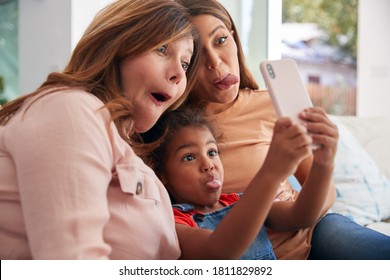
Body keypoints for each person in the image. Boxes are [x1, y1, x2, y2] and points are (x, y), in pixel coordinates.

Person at [174, 0, 390, 259]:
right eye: (197, 53)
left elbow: (319, 196)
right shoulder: (174, 131)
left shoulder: (269, 103)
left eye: (220, 40)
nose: (215, 61)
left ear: (234, 37)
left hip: (314, 231)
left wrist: (323, 164)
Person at [0, 0, 201, 260]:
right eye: (162, 49)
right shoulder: (71, 109)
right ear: (118, 45)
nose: (178, 74)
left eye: (185, 64)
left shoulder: (131, 155)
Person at [141, 108, 314, 259]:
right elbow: (219, 252)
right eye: (189, 157)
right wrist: (271, 173)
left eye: (212, 152)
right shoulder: (174, 223)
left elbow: (302, 216)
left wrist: (323, 163)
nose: (208, 165)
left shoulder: (241, 203)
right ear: (161, 175)